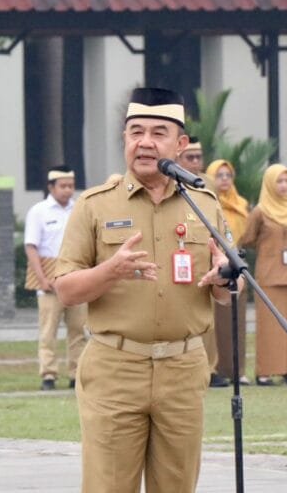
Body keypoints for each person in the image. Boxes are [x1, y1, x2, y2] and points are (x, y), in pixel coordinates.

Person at [53, 87, 241, 493]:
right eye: (136, 131)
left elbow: (227, 289)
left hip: (184, 369)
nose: (145, 142)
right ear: (124, 139)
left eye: (159, 132)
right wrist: (110, 271)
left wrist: (225, 278)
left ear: (181, 143)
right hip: (115, 368)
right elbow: (65, 289)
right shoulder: (94, 205)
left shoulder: (204, 204)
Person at [238, 163, 287, 386]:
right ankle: (265, 371)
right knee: (269, 326)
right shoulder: (260, 211)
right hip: (270, 275)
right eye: (279, 181)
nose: (284, 185)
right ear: (269, 183)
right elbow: (247, 238)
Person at [24, 167, 88, 391]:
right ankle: (48, 375)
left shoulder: (79, 209)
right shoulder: (38, 211)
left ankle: (76, 374)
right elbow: (31, 246)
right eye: (63, 185)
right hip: (48, 280)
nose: (68, 190)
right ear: (51, 187)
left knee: (78, 330)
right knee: (48, 332)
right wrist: (41, 278)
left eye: (71, 185)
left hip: (74, 276)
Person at [175, 136, 227, 387]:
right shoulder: (169, 181)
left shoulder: (205, 184)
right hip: (177, 254)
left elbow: (217, 220)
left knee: (207, 319)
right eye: (189, 157)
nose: (195, 162)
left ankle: (210, 368)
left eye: (198, 157)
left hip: (204, 252)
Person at [205, 159, 251, 386]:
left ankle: (238, 370)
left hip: (237, 267)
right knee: (216, 324)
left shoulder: (241, 204)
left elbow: (249, 237)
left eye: (228, 175)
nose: (224, 180)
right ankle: (217, 369)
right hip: (217, 269)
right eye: (219, 175)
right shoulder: (206, 204)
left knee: (238, 322)